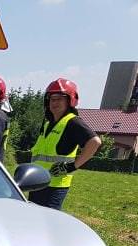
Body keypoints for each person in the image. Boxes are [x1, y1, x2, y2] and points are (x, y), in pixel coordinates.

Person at [28, 78, 101, 210]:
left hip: (55, 186)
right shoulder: (47, 124)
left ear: (70, 101)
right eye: (52, 99)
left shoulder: (73, 122)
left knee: (48, 223)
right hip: (37, 183)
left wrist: (72, 166)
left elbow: (94, 142)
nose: (54, 102)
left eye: (59, 99)